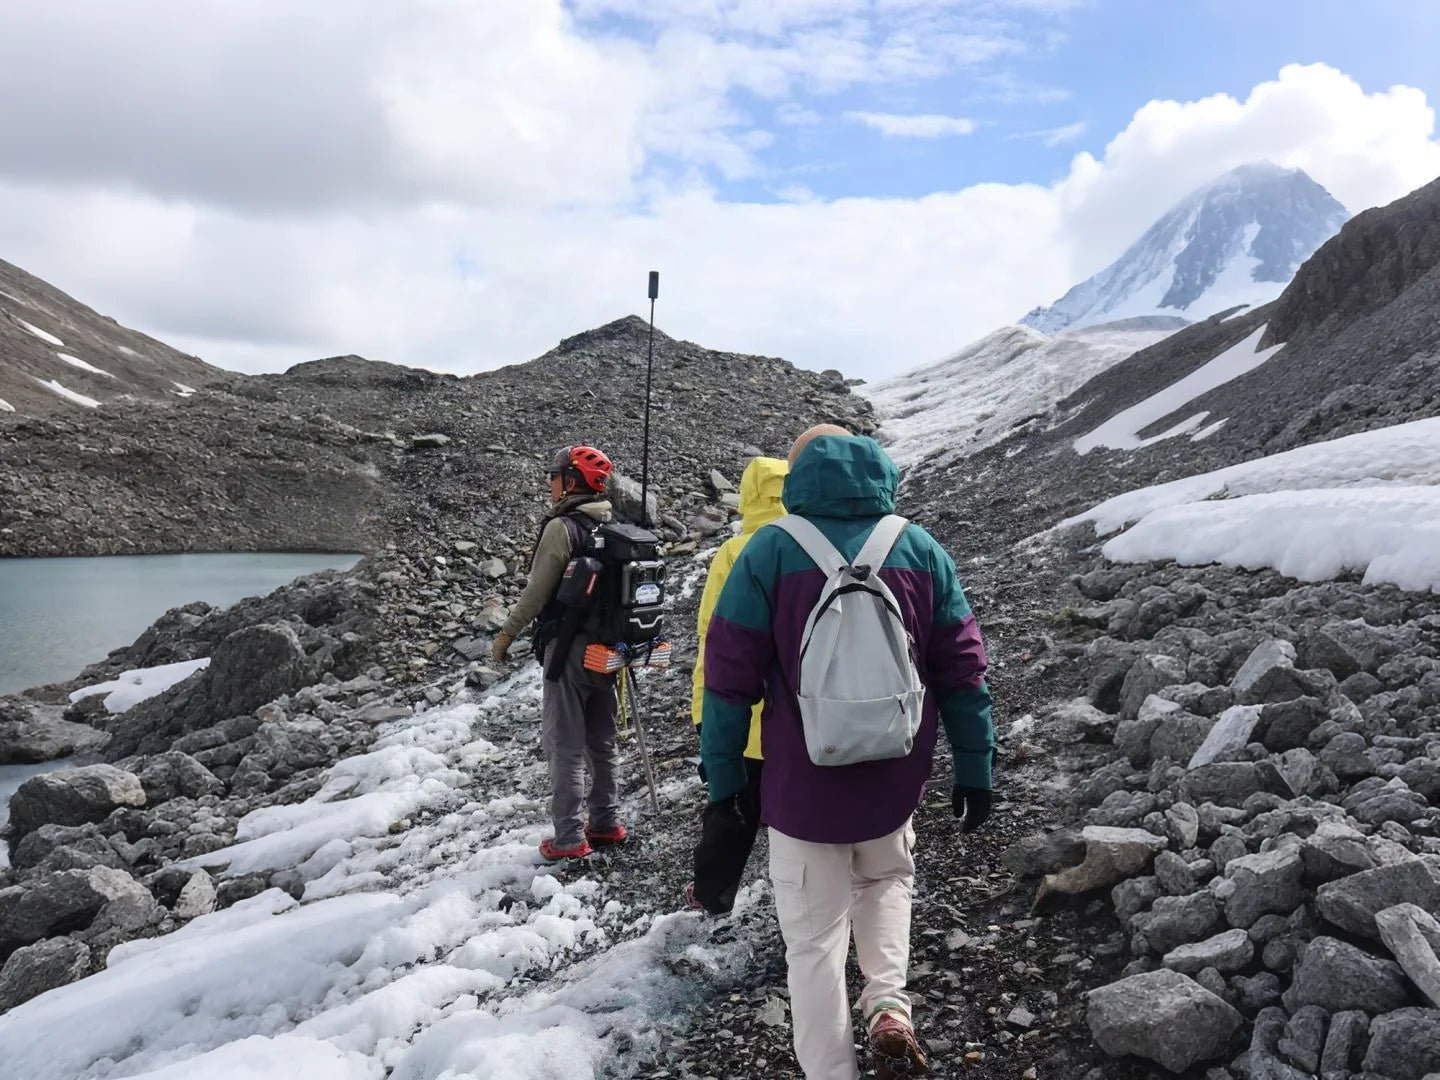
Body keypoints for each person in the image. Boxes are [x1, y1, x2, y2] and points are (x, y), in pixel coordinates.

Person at [700, 424, 995, 1080]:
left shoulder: (768, 551)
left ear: (797, 477)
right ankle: (888, 1003)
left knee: (813, 947)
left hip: (801, 797)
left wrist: (724, 784)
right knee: (887, 878)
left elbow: (728, 683)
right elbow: (964, 672)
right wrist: (976, 769)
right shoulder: (918, 548)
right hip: (893, 788)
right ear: (876, 470)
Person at [492, 445, 628, 860]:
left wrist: (506, 636)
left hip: (569, 650)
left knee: (564, 743)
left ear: (570, 481)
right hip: (609, 651)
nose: (550, 484)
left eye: (554, 476)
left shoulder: (563, 527)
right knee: (602, 739)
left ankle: (568, 838)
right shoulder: (616, 525)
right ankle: (606, 822)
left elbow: (537, 592)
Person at [686, 455, 789, 913]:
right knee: (798, 821)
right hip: (803, 720)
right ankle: (799, 903)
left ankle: (712, 894)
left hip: (744, 720)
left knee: (730, 812)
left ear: (747, 495)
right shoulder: (813, 545)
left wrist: (702, 717)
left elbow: (714, 639)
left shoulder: (735, 552)